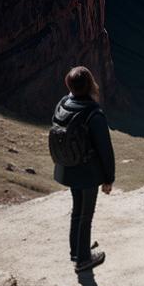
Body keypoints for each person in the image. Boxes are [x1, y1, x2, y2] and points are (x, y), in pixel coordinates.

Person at [52, 66, 114, 273]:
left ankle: (77, 250)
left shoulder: (63, 104)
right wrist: (109, 178)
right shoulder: (93, 114)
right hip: (87, 173)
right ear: (90, 85)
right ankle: (83, 260)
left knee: (77, 211)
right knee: (86, 214)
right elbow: (105, 149)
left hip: (68, 168)